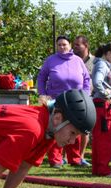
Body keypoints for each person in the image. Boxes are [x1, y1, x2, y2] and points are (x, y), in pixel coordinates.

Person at [37, 35, 91, 168]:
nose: (62, 47)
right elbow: (41, 78)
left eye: (64, 44)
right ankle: (55, 159)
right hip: (56, 100)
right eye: (59, 45)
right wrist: (43, 94)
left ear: (70, 46)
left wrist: (85, 94)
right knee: (56, 127)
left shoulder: (78, 60)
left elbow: (86, 79)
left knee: (74, 128)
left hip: (75, 100)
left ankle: (75, 158)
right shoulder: (51, 60)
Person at [90, 43, 111, 176]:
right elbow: (97, 82)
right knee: (104, 138)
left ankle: (97, 168)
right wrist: (107, 95)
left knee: (99, 138)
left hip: (100, 106)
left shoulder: (100, 64)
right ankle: (103, 169)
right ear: (107, 53)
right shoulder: (102, 65)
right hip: (103, 107)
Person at [73, 35, 95, 166]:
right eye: (74, 44)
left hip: (88, 98)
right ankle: (66, 156)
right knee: (68, 126)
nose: (74, 47)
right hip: (72, 97)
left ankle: (81, 156)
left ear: (86, 46)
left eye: (77, 45)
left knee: (84, 129)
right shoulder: (71, 59)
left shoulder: (95, 62)